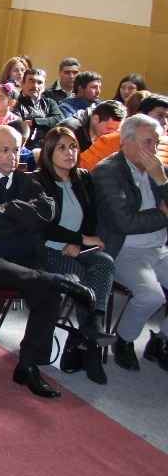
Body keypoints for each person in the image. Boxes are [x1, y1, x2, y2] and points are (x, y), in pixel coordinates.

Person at [0, 125, 95, 399]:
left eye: (16, 150)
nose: (12, 156)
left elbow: (46, 212)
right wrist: (21, 218)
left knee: (47, 296)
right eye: (5, 150)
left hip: (26, 257)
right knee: (28, 278)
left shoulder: (26, 181)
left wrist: (7, 209)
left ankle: (28, 366)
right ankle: (58, 280)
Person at [36, 126, 118, 383]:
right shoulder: (39, 181)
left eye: (72, 147)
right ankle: (90, 345)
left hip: (77, 247)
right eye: (61, 147)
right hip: (47, 248)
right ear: (49, 152)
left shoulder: (83, 178)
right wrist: (78, 240)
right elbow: (43, 225)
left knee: (104, 262)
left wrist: (80, 245)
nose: (69, 152)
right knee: (79, 276)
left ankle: (91, 329)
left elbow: (91, 218)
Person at [92, 114, 168, 373]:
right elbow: (123, 223)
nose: (154, 149)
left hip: (160, 248)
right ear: (126, 143)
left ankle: (160, 341)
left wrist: (161, 180)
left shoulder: (159, 170)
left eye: (157, 143)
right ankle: (124, 341)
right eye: (147, 142)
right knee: (151, 297)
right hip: (125, 249)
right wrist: (163, 215)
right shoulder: (107, 172)